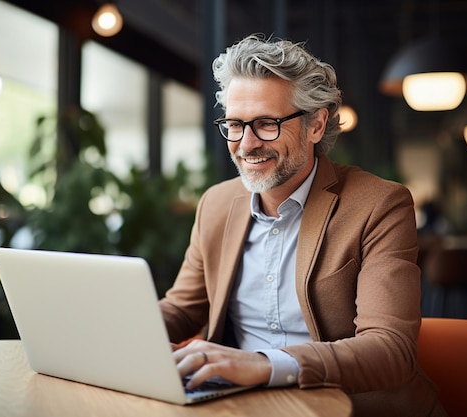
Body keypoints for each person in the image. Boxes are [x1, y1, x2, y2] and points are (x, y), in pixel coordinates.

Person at [158, 33, 446, 417]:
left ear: (315, 125)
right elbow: (181, 309)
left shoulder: (380, 205)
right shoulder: (216, 204)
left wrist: (264, 364)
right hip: (244, 407)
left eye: (265, 124)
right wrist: (106, 332)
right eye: (235, 124)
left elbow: (389, 349)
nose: (246, 144)